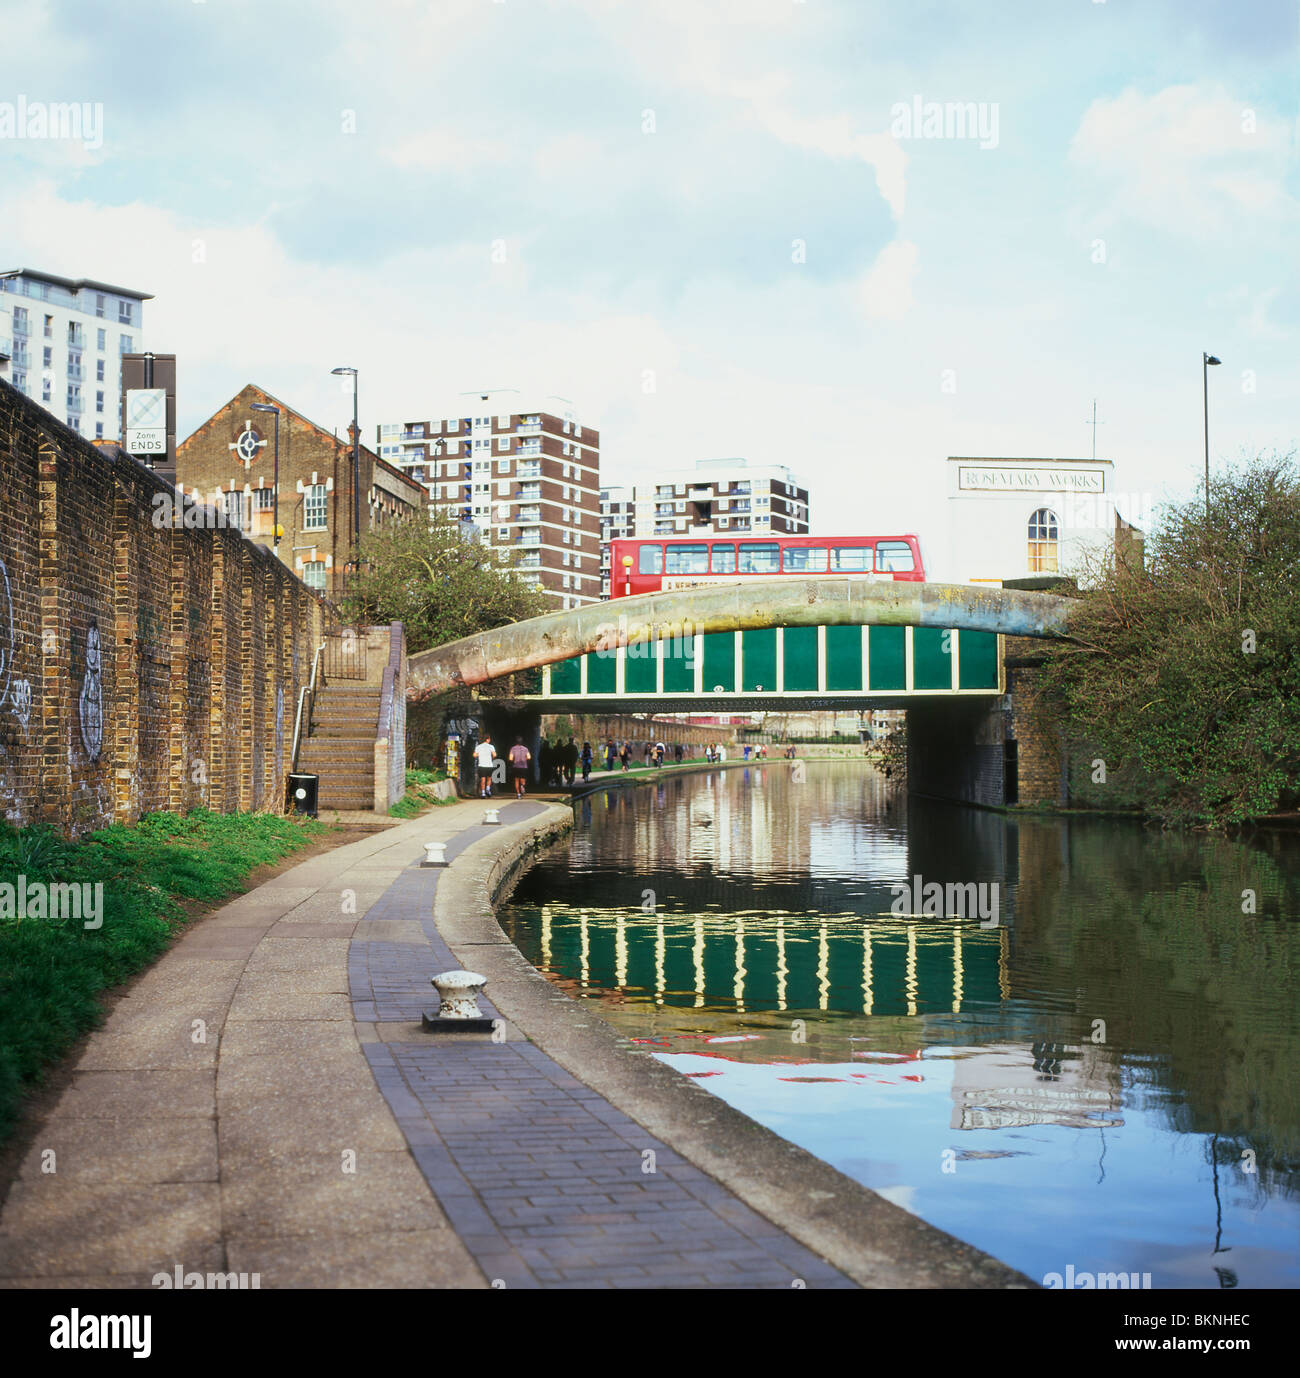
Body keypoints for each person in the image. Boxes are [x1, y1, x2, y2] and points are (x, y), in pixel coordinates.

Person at [473, 734, 496, 798]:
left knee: (483, 779)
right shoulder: (491, 746)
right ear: (487, 739)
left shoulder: (479, 747)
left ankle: (483, 793)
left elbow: (474, 755)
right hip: (489, 765)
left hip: (481, 765)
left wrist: (480, 754)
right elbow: (494, 755)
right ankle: (488, 789)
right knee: (489, 778)